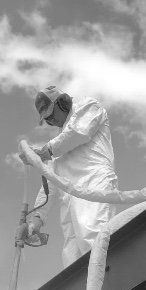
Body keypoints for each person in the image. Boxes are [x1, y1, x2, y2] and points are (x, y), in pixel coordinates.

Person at [26, 86, 119, 267]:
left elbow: (79, 132)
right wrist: (37, 219)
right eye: (47, 120)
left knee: (94, 237)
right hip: (70, 198)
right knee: (72, 257)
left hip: (93, 184)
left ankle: (109, 287)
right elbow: (49, 182)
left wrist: (47, 151)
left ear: (63, 102)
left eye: (52, 115)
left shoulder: (88, 106)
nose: (51, 122)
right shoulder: (58, 145)